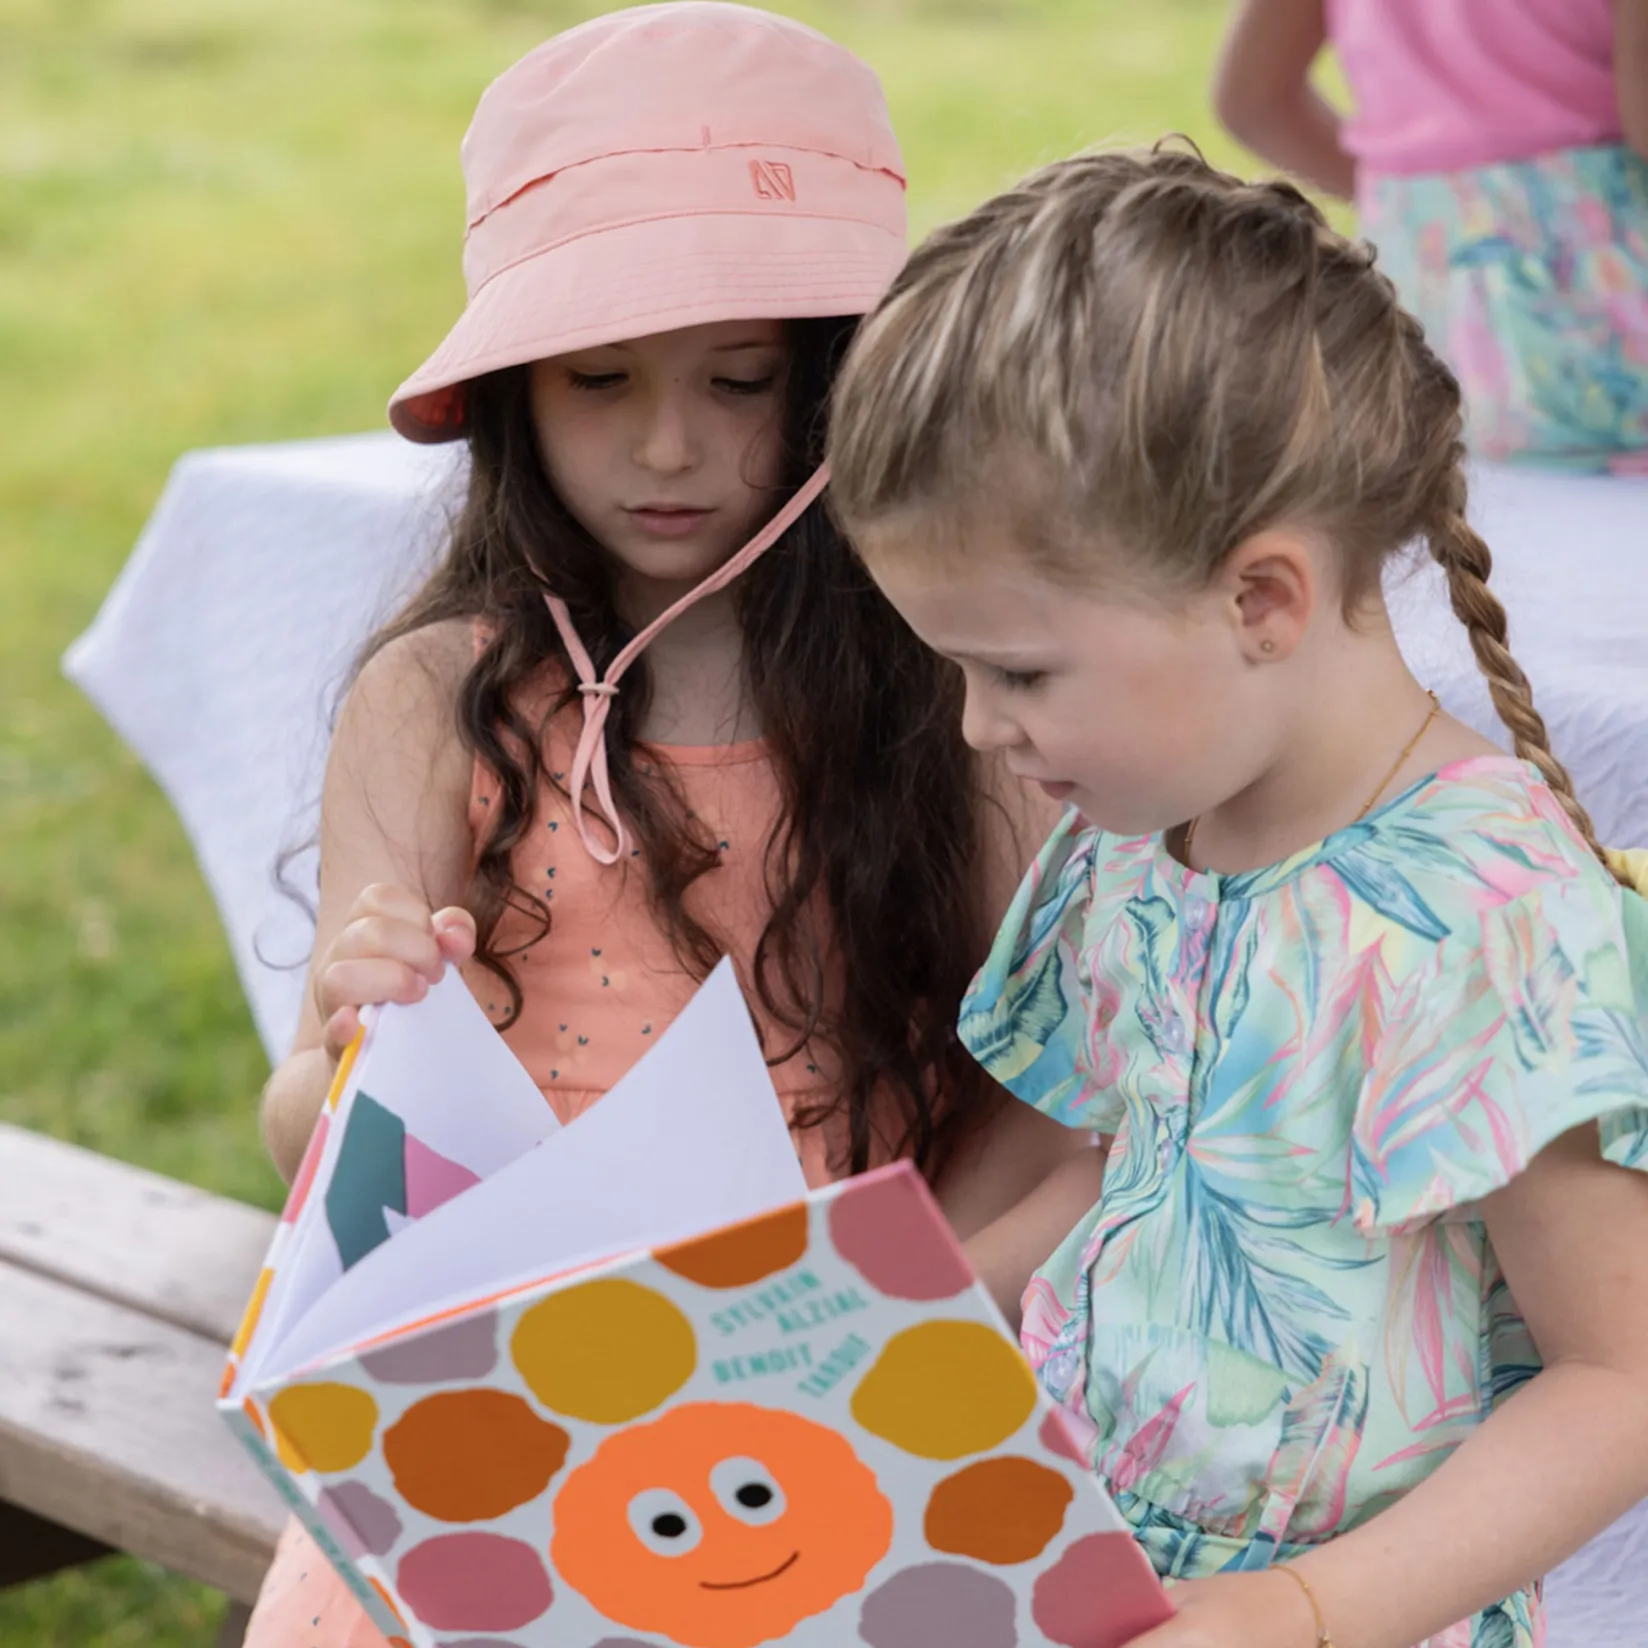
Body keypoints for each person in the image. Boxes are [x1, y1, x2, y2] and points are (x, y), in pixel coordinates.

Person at [244, 7, 1078, 1644]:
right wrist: (352, 1047)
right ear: (507, 396)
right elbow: (303, 1136)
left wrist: (882, 1340)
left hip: (840, 1409)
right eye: (597, 378)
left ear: (846, 380)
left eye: (741, 376)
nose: (669, 442)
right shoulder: (434, 697)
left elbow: (1057, 1131)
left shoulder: (950, 709)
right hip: (492, 1417)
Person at [826, 143, 1648, 1648]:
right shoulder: (1143, 837)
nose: (974, 730)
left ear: (1259, 599)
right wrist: (869, 1329)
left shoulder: (1489, 916)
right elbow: (1127, 1178)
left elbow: (1621, 1383)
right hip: (1088, 1568)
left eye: (1016, 670)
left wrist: (1303, 1611)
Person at [1213, 0, 1648, 473]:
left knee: (1458, 512)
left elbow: (1253, 99)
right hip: (1600, 288)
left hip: (1414, 282)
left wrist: (1426, 202)